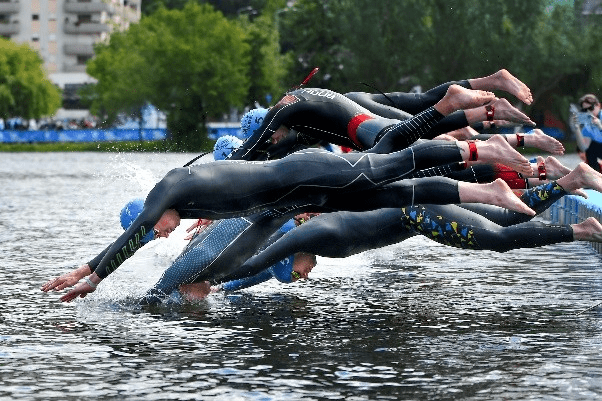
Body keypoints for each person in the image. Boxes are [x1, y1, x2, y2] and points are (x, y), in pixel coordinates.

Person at [42, 85, 539, 302]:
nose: (161, 234)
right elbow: (255, 230)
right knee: (389, 195)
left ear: (153, 214)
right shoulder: (185, 198)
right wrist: (210, 277)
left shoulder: (167, 193)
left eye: (156, 230)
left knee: (390, 162)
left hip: (308, 174)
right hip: (298, 192)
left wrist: (94, 275)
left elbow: (130, 239)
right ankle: (485, 177)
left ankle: (476, 144)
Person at [228, 71, 536, 161]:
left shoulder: (286, 114)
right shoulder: (296, 115)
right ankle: (494, 85)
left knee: (419, 126)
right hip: (353, 100)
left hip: (357, 110)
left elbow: (252, 152)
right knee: (425, 102)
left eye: (271, 135)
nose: (274, 139)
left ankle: (489, 112)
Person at [41, 199, 180, 293]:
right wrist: (80, 273)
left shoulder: (171, 194)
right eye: (155, 234)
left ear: (152, 217)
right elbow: (123, 248)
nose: (166, 236)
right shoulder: (174, 209)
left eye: (155, 232)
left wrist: (92, 282)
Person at [573, 94, 602, 171]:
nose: (589, 112)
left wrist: (600, 126)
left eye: (590, 108)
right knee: (590, 148)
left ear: (598, 105)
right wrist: (576, 128)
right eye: (585, 110)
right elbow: (583, 147)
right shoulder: (587, 127)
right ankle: (596, 174)